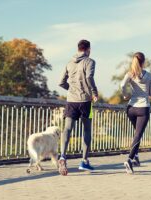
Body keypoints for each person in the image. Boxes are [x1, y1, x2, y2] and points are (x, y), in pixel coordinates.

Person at [58, 39, 98, 176]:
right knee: (87, 130)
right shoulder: (90, 61)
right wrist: (94, 93)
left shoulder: (69, 63)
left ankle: (62, 156)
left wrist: (71, 89)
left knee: (67, 128)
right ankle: (84, 161)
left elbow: (61, 82)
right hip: (86, 101)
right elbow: (89, 77)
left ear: (78, 48)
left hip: (71, 101)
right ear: (88, 49)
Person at [120, 52, 151, 174]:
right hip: (143, 108)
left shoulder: (130, 74)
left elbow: (122, 84)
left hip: (131, 108)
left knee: (136, 134)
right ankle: (129, 159)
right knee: (138, 135)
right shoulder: (149, 76)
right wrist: (149, 95)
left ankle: (136, 157)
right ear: (144, 62)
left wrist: (125, 95)